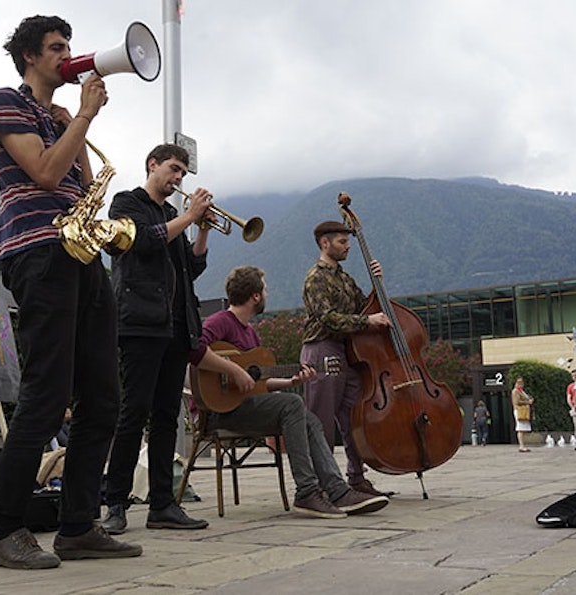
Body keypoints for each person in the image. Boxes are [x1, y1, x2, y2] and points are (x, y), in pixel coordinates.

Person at [0, 15, 141, 569]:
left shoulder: (58, 116)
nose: (67, 56)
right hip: (37, 251)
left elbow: (77, 183)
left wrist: (74, 125)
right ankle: (3, 527)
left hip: (79, 251)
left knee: (103, 398)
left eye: (69, 46)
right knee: (47, 393)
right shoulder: (6, 102)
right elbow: (45, 175)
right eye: (56, 48)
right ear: (29, 57)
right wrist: (87, 115)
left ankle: (77, 526)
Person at [191, 266, 389, 518]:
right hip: (215, 411)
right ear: (255, 297)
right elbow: (195, 350)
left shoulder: (250, 333)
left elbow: (258, 383)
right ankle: (307, 491)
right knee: (293, 405)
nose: (266, 294)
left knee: (309, 417)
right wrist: (232, 370)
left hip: (242, 407)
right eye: (265, 290)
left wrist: (291, 382)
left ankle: (337, 490)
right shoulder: (220, 321)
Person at [102, 143, 213, 533]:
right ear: (153, 165)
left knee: (168, 417)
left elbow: (192, 268)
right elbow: (143, 242)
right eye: (173, 168)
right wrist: (189, 216)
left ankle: (163, 504)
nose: (178, 177)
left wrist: (200, 229)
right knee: (134, 412)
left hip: (176, 326)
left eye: (183, 172)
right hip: (140, 323)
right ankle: (115, 502)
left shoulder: (173, 215)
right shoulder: (125, 203)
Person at [300, 221, 393, 498]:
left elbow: (366, 306)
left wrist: (378, 281)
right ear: (325, 243)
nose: (348, 246)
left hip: (345, 352)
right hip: (321, 349)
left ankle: (356, 478)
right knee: (321, 422)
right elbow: (327, 318)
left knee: (355, 418)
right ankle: (321, 485)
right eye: (342, 241)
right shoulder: (316, 277)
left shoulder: (344, 278)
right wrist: (367, 320)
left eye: (348, 241)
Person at [511, 376, 534, 452]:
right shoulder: (515, 391)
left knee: (523, 429)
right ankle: (521, 446)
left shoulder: (521, 391)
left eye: (522, 382)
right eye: (519, 382)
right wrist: (528, 402)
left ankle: (523, 445)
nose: (521, 384)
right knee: (520, 428)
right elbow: (516, 402)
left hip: (523, 410)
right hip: (519, 410)